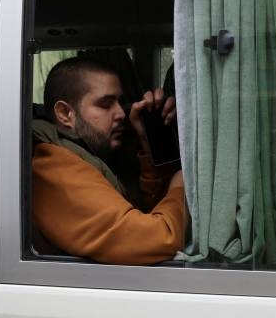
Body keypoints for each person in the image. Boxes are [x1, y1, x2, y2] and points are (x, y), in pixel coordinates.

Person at [31, 57, 186, 264]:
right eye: (105, 104)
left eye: (120, 102)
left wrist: (148, 141)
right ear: (65, 113)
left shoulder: (95, 153)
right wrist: (180, 188)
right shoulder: (52, 166)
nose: (121, 113)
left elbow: (144, 212)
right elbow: (157, 239)